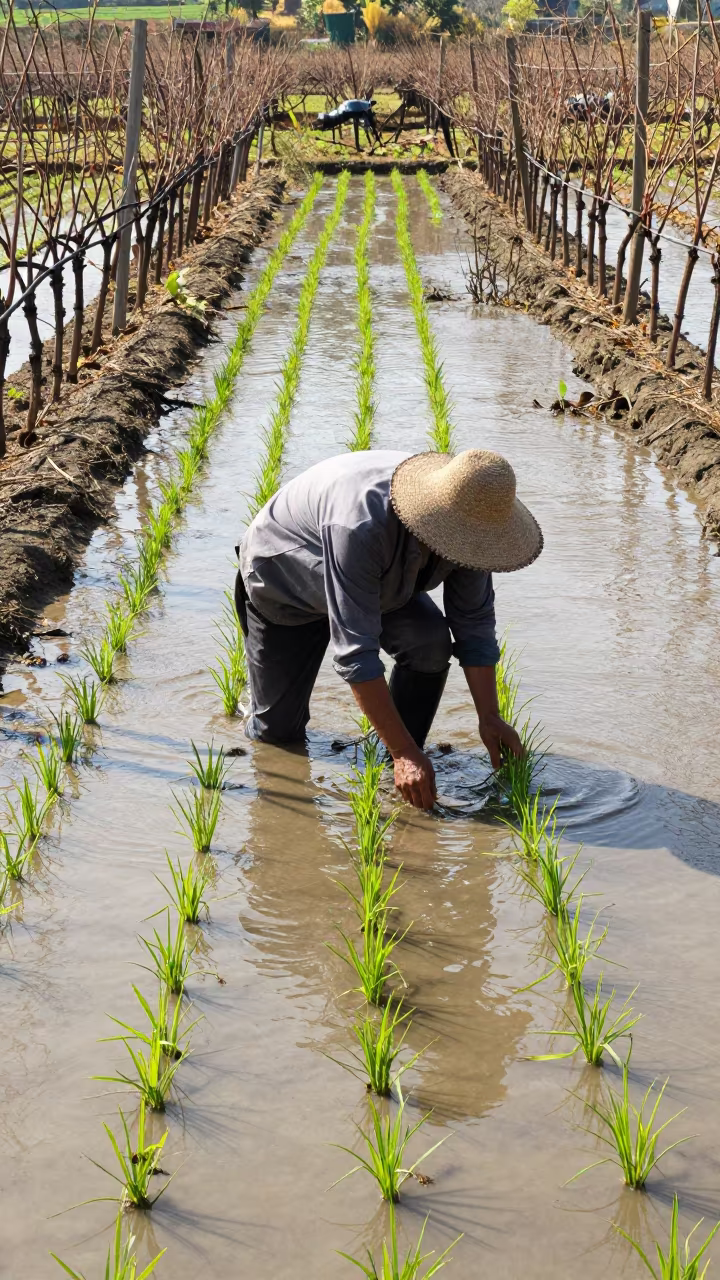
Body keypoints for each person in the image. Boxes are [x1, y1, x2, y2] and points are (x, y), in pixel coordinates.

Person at [235, 449, 543, 810]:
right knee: (277, 736)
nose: (469, 545)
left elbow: (473, 625)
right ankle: (400, 755)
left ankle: (388, 772)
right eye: (461, 537)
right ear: (434, 516)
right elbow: (356, 653)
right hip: (286, 579)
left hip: (378, 584)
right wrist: (406, 751)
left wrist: (489, 717)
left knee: (428, 643)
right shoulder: (360, 525)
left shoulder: (474, 527)